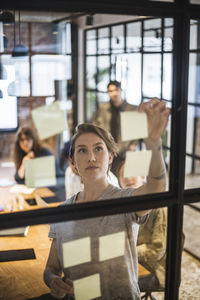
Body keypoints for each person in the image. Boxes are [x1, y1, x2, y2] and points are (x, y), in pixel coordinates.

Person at [43, 98, 170, 300]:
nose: (91, 157)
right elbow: (51, 268)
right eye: (82, 150)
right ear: (73, 161)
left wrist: (153, 142)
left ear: (110, 157)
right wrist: (52, 280)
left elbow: (157, 188)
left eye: (98, 149)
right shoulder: (62, 210)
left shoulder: (124, 200)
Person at [112, 150, 167, 291]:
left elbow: (157, 249)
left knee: (110, 285)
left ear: (143, 176)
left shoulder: (158, 205)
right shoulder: (122, 204)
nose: (128, 178)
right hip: (128, 264)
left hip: (155, 270)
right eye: (123, 174)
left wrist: (125, 253)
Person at [92, 80, 138, 150]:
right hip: (106, 147)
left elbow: (136, 128)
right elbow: (95, 126)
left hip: (126, 149)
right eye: (111, 91)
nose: (114, 93)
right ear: (108, 93)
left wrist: (133, 144)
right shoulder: (102, 108)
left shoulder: (131, 109)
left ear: (121, 90)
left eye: (116, 90)